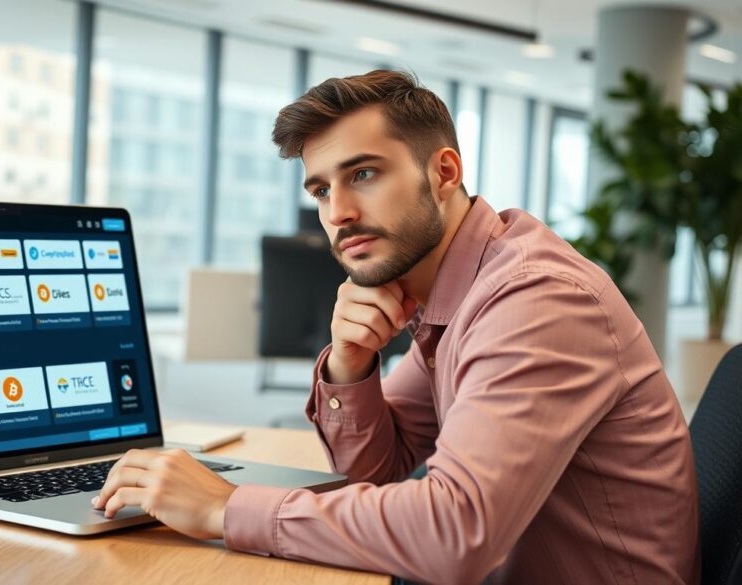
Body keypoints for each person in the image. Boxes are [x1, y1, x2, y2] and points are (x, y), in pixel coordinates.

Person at [92, 69, 699, 584]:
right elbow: (373, 476)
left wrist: (225, 510)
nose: (338, 214)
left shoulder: (534, 299)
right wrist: (349, 365)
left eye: (363, 174)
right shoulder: (450, 291)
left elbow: (455, 533)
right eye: (321, 189)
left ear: (443, 172)